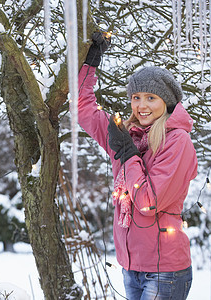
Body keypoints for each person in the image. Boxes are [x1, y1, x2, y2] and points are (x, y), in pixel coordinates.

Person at [78, 33, 198, 299]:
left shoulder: (177, 142)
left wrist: (127, 155)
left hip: (164, 271)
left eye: (151, 98)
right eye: (136, 97)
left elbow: (147, 202)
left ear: (165, 102)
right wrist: (90, 64)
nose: (141, 106)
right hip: (130, 266)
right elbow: (83, 110)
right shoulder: (125, 133)